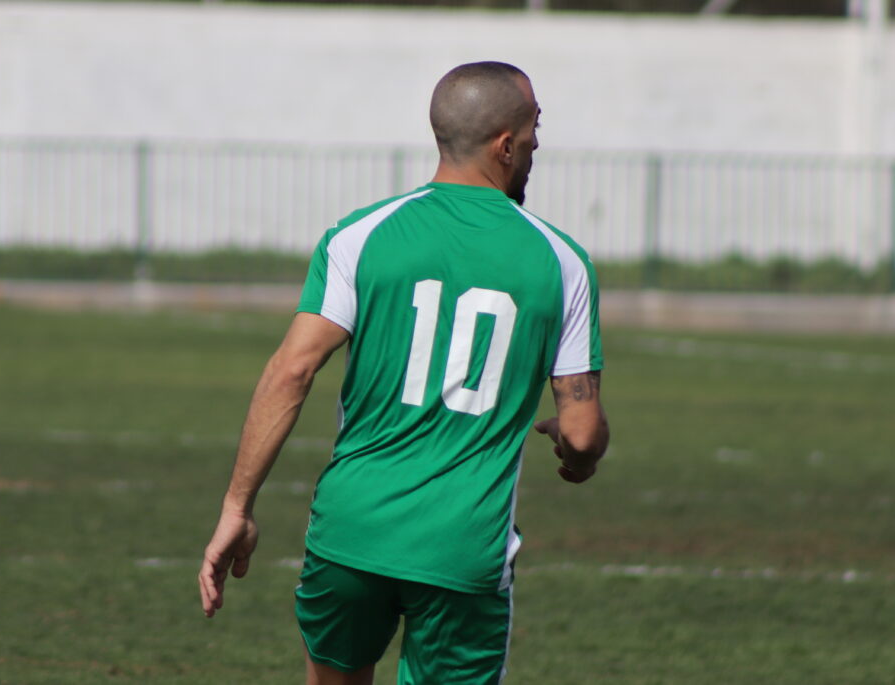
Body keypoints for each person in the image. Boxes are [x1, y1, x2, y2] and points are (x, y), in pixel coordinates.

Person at [199, 61, 609, 684]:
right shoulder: (563, 262)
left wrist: (238, 506)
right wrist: (579, 456)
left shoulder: (360, 235)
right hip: (462, 546)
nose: (537, 145)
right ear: (505, 145)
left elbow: (291, 371)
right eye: (534, 129)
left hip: (350, 534)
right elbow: (581, 432)